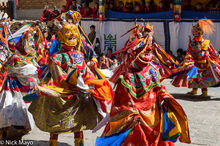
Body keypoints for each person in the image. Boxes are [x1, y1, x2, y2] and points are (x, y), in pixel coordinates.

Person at [23, 11, 113, 146]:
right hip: (63, 94)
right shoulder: (56, 57)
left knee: (79, 125)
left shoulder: (79, 54)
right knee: (56, 125)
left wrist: (89, 80)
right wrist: (74, 80)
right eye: (69, 36)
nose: (72, 38)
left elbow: (85, 70)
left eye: (73, 36)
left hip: (79, 94)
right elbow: (59, 76)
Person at [95, 23, 190, 145]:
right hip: (134, 117)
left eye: (149, 52)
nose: (148, 55)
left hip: (153, 115)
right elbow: (121, 101)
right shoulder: (126, 76)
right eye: (144, 52)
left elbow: (158, 88)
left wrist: (164, 95)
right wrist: (131, 113)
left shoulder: (152, 70)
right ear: (134, 53)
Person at [172, 19, 220, 96]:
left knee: (203, 78)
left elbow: (213, 51)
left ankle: (204, 92)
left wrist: (218, 56)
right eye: (193, 32)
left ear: (200, 32)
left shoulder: (206, 42)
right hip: (195, 64)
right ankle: (194, 90)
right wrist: (188, 60)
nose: (194, 33)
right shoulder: (192, 43)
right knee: (194, 78)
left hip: (205, 65)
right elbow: (189, 52)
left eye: (196, 32)